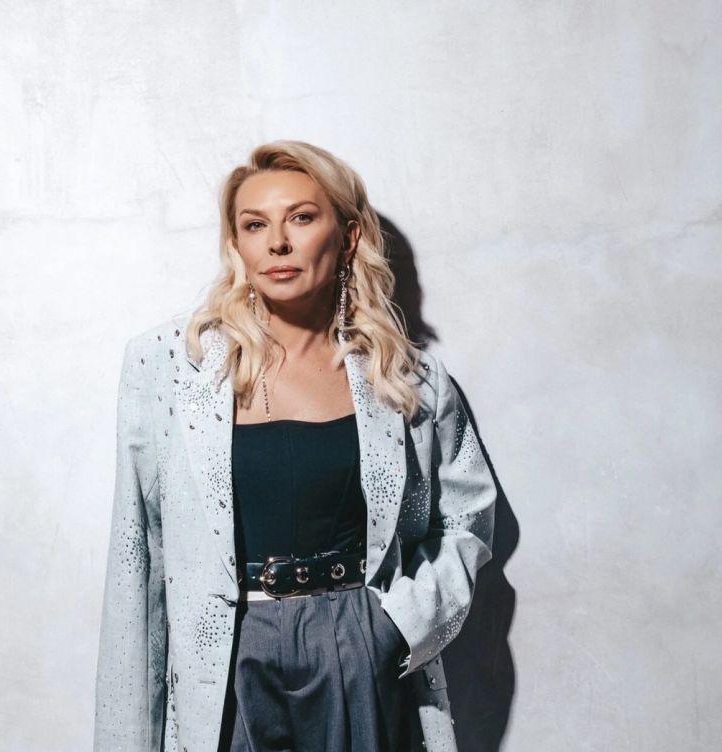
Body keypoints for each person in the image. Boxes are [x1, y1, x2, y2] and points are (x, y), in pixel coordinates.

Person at [94, 141, 497, 752]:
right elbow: (138, 557)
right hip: (226, 658)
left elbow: (467, 520)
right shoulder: (171, 367)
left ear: (349, 236)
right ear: (237, 243)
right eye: (255, 225)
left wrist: (395, 626)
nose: (277, 244)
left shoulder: (406, 380)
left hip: (359, 647)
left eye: (301, 218)